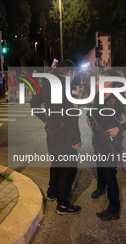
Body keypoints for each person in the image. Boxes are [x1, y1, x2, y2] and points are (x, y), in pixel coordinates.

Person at [30, 59, 82, 215]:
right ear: (70, 73)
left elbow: (33, 103)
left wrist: (45, 118)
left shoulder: (47, 86)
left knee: (56, 165)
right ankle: (63, 205)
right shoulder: (65, 87)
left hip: (51, 134)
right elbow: (71, 117)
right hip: (65, 136)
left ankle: (52, 193)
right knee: (68, 170)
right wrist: (77, 139)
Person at [87, 70, 126, 221]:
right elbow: (92, 112)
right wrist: (89, 120)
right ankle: (100, 188)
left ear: (109, 83)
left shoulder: (119, 98)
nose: (96, 83)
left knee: (110, 173)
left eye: (100, 81)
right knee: (100, 165)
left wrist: (119, 128)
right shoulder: (98, 95)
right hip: (97, 138)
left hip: (111, 140)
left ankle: (114, 210)